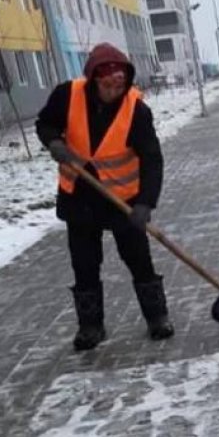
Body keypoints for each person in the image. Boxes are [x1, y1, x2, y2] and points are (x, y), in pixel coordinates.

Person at [35, 43, 173, 351]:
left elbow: (152, 159)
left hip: (123, 200)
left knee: (139, 260)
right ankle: (90, 327)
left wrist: (145, 203)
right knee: (84, 264)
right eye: (108, 85)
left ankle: (157, 317)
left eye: (119, 85)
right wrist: (53, 141)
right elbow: (45, 123)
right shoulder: (67, 95)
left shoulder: (136, 110)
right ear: (94, 80)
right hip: (80, 197)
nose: (114, 91)